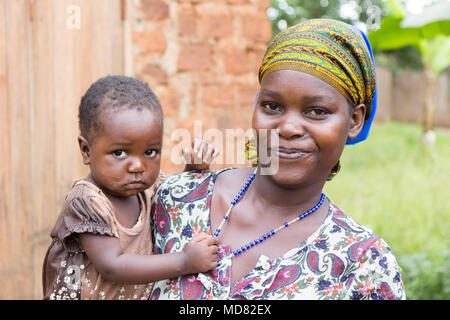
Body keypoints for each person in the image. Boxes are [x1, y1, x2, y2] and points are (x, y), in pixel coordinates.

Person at [149, 19, 406, 300]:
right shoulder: (176, 199)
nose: (287, 127)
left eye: (317, 111)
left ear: (354, 120)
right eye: (272, 106)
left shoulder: (362, 265)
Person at [42, 75, 219, 300]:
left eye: (149, 152)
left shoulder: (148, 188)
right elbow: (112, 266)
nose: (138, 165)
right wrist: (184, 261)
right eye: (119, 153)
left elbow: (173, 201)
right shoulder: (86, 201)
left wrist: (193, 169)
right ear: (86, 150)